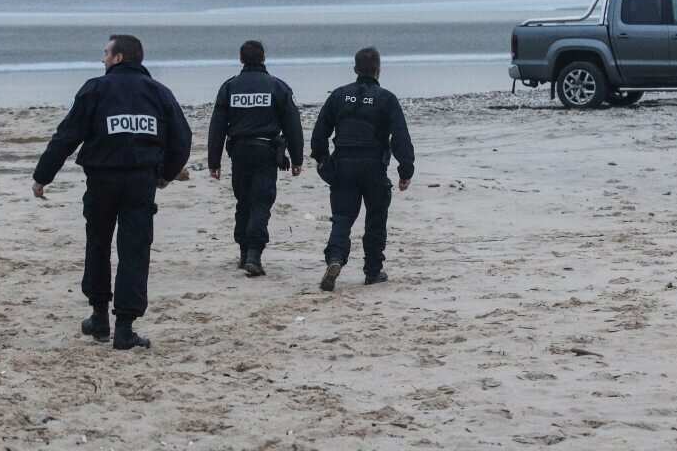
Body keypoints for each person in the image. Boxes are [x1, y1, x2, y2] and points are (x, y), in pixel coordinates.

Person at [32, 34, 191, 350]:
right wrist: (165, 175)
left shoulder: (96, 88)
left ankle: (101, 315)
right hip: (140, 182)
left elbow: (67, 135)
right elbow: (182, 140)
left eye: (106, 53)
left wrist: (42, 176)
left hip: (104, 179)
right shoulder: (159, 93)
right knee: (135, 251)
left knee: (99, 245)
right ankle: (121, 326)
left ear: (119, 58)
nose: (102, 59)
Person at [310, 47, 415, 291]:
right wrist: (405, 169)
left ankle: (335, 258)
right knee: (375, 219)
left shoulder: (338, 95)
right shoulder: (386, 99)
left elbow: (319, 133)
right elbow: (400, 137)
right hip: (373, 167)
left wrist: (323, 160)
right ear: (378, 69)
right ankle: (373, 271)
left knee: (342, 218)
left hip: (343, 165)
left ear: (356, 69)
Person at [207, 40, 304, 277]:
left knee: (244, 201)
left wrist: (214, 161)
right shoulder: (277, 87)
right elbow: (293, 125)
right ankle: (253, 254)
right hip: (266, 151)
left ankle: (244, 252)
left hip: (239, 151)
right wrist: (298, 157)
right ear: (263, 58)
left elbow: (217, 126)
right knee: (261, 201)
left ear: (241, 59)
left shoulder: (230, 87)